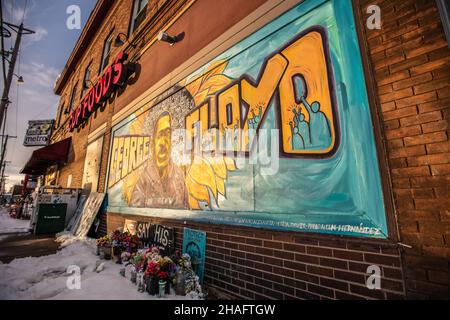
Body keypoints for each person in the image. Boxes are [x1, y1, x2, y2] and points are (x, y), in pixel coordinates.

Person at [130, 112, 187, 208]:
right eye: (160, 135)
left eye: (167, 134)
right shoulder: (144, 179)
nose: (163, 142)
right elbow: (133, 216)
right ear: (153, 143)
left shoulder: (179, 176)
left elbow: (185, 212)